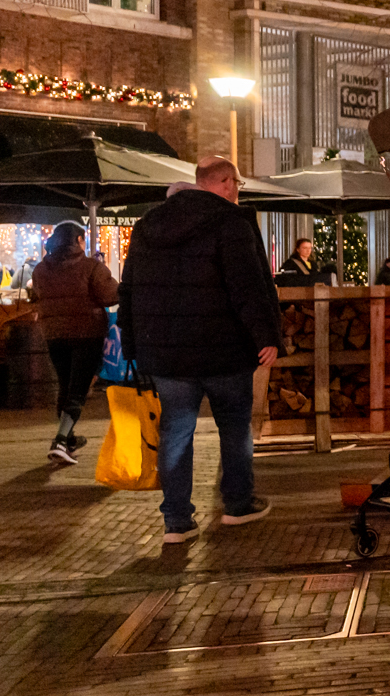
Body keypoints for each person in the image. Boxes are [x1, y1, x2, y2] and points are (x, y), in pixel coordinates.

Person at [119, 157, 282, 543]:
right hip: (224, 350)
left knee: (175, 431)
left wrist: (131, 345)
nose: (237, 191)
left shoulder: (147, 226)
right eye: (237, 183)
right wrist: (267, 335)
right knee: (234, 427)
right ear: (225, 183)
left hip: (167, 355)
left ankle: (176, 521)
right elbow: (248, 285)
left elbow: (129, 290)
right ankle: (238, 505)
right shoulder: (232, 223)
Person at [29, 222, 119, 464]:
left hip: (54, 335)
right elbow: (111, 295)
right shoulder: (91, 267)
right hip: (86, 334)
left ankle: (68, 441)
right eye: (83, 239)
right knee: (78, 389)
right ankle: (59, 440)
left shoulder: (40, 269)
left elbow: (37, 294)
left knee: (65, 385)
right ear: (78, 240)